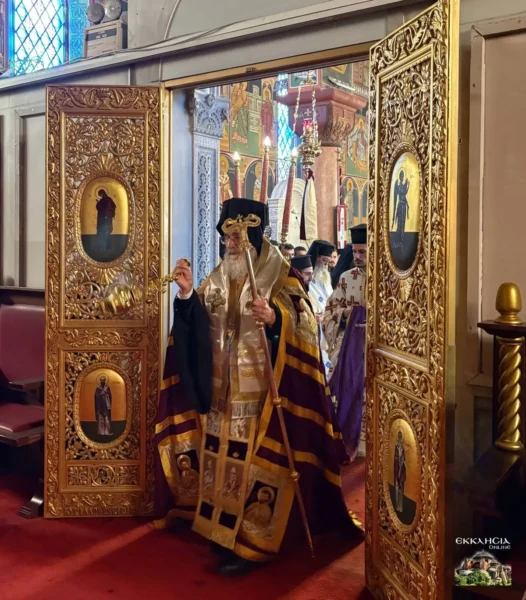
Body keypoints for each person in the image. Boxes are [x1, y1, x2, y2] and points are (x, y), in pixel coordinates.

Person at [154, 198, 363, 576]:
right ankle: (221, 532)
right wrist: (186, 295)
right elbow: (199, 323)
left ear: (252, 234)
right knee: (221, 461)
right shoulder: (219, 276)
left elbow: (305, 326)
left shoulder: (280, 275)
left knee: (254, 466)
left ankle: (252, 543)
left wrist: (275, 318)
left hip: (263, 397)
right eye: (226, 238)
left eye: (235, 237)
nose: (229, 244)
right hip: (222, 394)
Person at [323, 224, 367, 459]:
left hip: (375, 348)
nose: (357, 257)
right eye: (355, 252)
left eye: (363, 252)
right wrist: (348, 314)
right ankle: (348, 439)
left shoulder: (387, 279)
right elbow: (330, 312)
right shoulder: (346, 278)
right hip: (348, 346)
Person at [307, 240, 336, 377]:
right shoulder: (306, 278)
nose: (326, 265)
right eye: (324, 260)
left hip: (328, 325)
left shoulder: (325, 278)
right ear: (316, 257)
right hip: (314, 325)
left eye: (328, 262)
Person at [394, 430, 407, 513]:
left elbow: (403, 457)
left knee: (401, 487)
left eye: (400, 435)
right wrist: (398, 460)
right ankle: (396, 506)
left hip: (401, 468)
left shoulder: (402, 447)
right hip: (397, 468)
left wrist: (402, 461)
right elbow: (395, 457)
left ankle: (400, 507)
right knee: (397, 486)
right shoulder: (396, 445)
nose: (399, 436)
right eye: (398, 435)